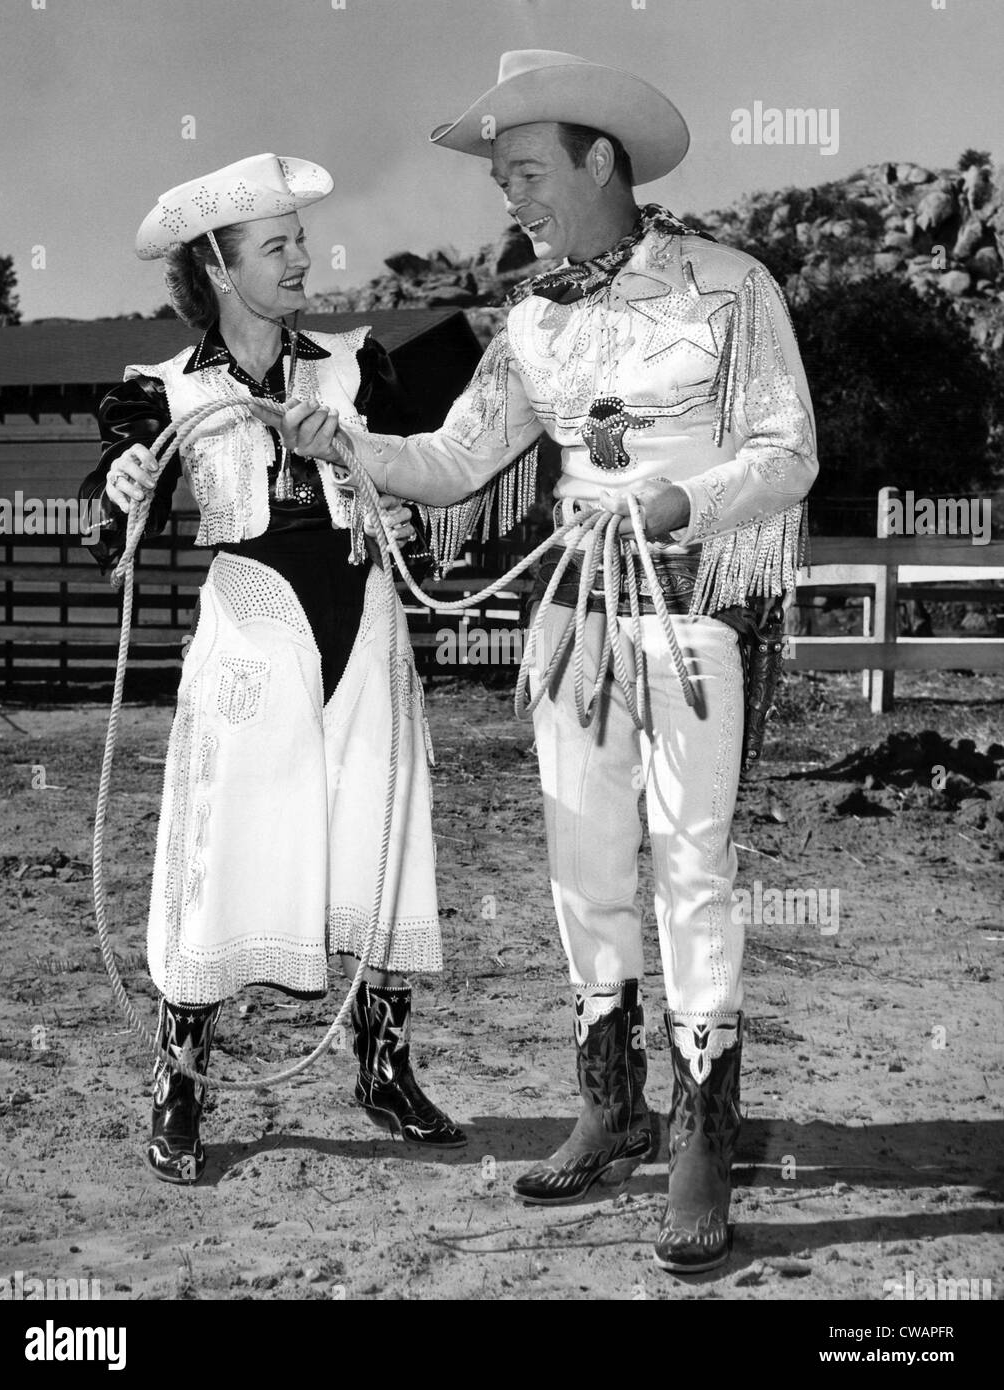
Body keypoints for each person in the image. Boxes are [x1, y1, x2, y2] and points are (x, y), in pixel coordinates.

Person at [259, 55, 819, 1274]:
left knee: (692, 865)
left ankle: (704, 1137)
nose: (510, 196)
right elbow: (458, 461)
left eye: (525, 170)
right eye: (501, 176)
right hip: (573, 624)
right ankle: (611, 1103)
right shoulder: (531, 320)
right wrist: (343, 442)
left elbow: (788, 453)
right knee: (580, 867)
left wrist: (675, 502)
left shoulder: (732, 289)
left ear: (599, 159)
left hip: (690, 618)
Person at [80, 153, 465, 1185]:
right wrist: (120, 488)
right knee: (222, 839)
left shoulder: (354, 362)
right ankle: (181, 1083)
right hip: (255, 630)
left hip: (365, 621)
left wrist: (349, 454)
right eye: (278, 244)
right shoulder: (166, 391)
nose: (304, 258)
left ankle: (385, 1068)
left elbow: (416, 488)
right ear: (217, 263)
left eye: (302, 238)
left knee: (383, 833)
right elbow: (115, 515)